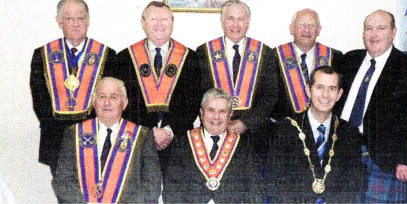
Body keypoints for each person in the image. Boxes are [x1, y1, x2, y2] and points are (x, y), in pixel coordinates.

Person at [336, 10, 407, 203]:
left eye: (381, 28)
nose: (373, 34)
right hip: (344, 154)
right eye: (369, 28)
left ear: (393, 32)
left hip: (386, 160)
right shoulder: (349, 60)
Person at [30, 0, 116, 176]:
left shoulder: (107, 55)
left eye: (81, 18)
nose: (76, 24)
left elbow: (110, 102)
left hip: (95, 139)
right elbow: (40, 102)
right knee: (66, 196)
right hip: (57, 140)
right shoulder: (42, 54)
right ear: (59, 21)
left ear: (88, 20)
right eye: (69, 19)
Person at [115, 1, 200, 175]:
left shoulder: (190, 58)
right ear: (143, 22)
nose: (159, 24)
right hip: (138, 141)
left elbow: (193, 103)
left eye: (164, 19)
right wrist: (150, 132)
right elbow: (123, 104)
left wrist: (169, 131)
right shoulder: (125, 58)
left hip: (178, 141)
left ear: (172, 22)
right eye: (154, 19)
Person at [52, 77, 161, 203]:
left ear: (124, 103)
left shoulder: (142, 136)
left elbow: (152, 183)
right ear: (93, 101)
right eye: (102, 97)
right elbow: (62, 180)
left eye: (114, 97)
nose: (107, 103)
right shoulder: (74, 133)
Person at [264, 66, 362, 203]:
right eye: (319, 87)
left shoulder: (349, 132)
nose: (325, 95)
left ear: (339, 94)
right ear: (308, 90)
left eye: (332, 88)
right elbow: (274, 181)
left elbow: (353, 184)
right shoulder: (285, 129)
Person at [196, 0, 278, 158]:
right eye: (230, 18)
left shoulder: (264, 53)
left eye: (241, 19)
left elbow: (270, 96)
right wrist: (218, 122)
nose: (235, 24)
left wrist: (246, 123)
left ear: (248, 22)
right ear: (222, 21)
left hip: (254, 134)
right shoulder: (203, 52)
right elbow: (198, 95)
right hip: (213, 131)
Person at [163, 88, 263, 203]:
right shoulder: (182, 143)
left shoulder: (244, 147)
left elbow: (255, 193)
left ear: (230, 115)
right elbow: (171, 191)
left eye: (222, 111)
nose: (216, 117)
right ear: (201, 112)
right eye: (211, 110)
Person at [272, 8, 343, 119]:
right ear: (292, 29)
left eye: (312, 25)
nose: (307, 30)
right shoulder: (274, 56)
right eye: (301, 25)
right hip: (283, 126)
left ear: (318, 30)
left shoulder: (335, 57)